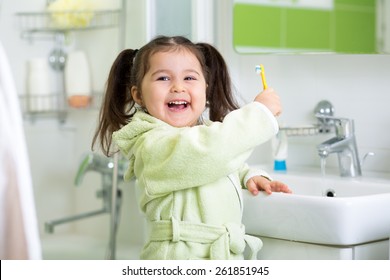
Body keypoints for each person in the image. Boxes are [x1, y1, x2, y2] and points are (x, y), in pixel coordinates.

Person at [92, 35, 291, 260]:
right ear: (138, 94)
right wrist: (259, 113)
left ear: (205, 87)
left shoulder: (204, 135)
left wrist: (250, 177)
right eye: (163, 78)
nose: (178, 87)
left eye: (189, 77)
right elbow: (208, 153)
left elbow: (222, 162)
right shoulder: (151, 144)